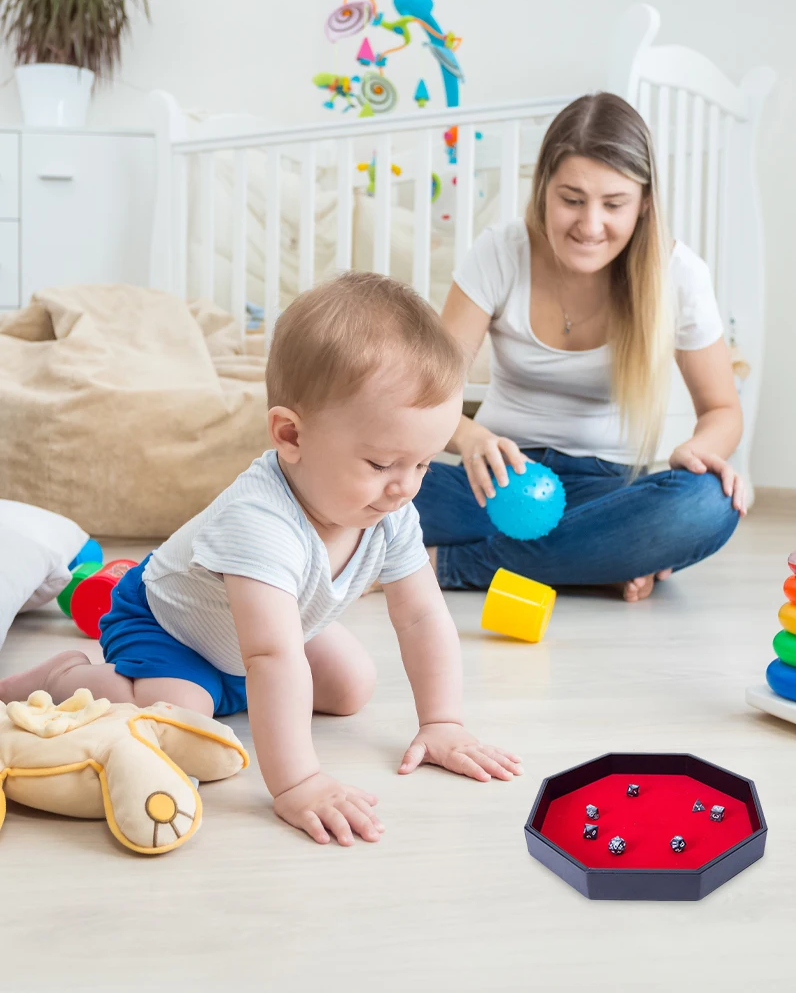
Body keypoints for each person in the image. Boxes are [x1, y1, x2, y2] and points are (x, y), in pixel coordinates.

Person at [0, 272, 521, 846]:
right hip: (171, 628)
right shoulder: (259, 521)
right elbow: (272, 656)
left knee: (352, 686)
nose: (405, 488)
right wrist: (298, 781)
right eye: (381, 464)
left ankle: (234, 690)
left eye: (422, 464)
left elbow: (423, 618)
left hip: (268, 633)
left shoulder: (389, 510)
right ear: (290, 434)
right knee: (179, 714)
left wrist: (442, 722)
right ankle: (69, 674)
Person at [414, 92, 746, 602]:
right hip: (498, 482)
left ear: (644, 204)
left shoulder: (679, 275)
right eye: (571, 199)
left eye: (614, 205)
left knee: (708, 503)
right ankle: (591, 562)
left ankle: (450, 565)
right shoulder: (501, 252)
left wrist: (698, 452)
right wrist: (471, 437)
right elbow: (426, 395)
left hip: (608, 493)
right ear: (544, 189)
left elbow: (723, 409)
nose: (590, 226)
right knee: (373, 485)